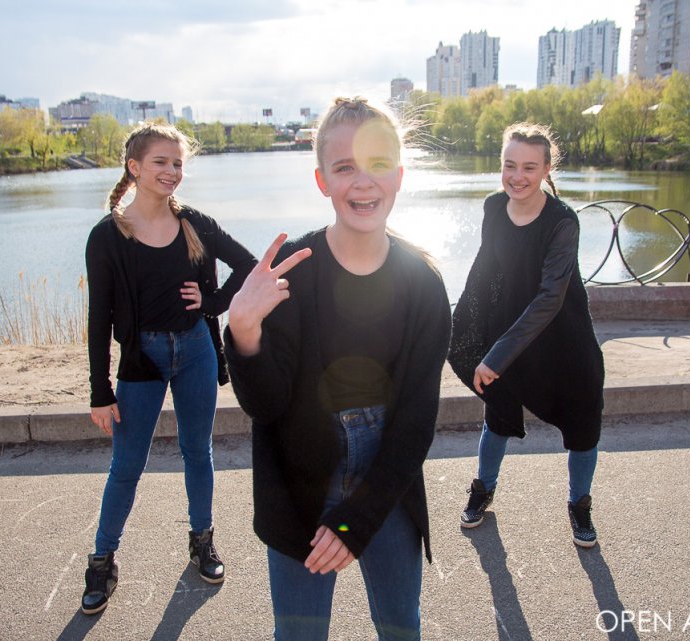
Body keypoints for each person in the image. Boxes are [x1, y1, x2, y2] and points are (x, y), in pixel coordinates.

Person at [223, 97, 452, 641]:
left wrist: (357, 519)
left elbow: (416, 420)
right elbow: (266, 406)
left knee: (401, 627)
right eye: (345, 167)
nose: (363, 181)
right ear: (322, 181)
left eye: (378, 164)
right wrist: (245, 333)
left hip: (387, 479)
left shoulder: (423, 285)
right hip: (298, 481)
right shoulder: (292, 276)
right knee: (299, 633)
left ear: (399, 176)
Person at [82, 123, 256, 615]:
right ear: (134, 167)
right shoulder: (108, 236)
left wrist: (213, 303)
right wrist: (100, 391)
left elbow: (247, 264)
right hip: (141, 361)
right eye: (160, 162)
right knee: (126, 466)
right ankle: (102, 561)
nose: (172, 171)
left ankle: (202, 540)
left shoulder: (194, 223)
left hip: (196, 351)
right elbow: (98, 318)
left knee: (197, 451)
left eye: (177, 163)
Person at [448, 123, 605, 548]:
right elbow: (485, 270)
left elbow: (551, 297)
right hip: (508, 332)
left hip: (563, 339)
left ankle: (579, 504)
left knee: (583, 421)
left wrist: (496, 355)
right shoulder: (493, 207)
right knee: (498, 413)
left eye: (529, 167)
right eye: (510, 165)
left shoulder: (562, 221)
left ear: (547, 169)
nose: (517, 176)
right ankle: (482, 489)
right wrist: (465, 332)